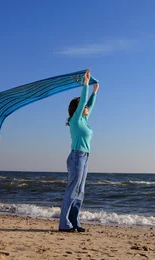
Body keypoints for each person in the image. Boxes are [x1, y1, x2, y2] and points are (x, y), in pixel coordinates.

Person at [59, 68, 99, 232]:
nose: (87, 108)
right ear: (78, 108)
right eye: (84, 107)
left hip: (85, 157)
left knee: (80, 190)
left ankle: (74, 221)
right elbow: (83, 102)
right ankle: (64, 224)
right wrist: (86, 84)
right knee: (72, 189)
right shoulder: (76, 120)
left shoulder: (83, 120)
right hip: (77, 156)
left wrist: (95, 91)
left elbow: (88, 104)